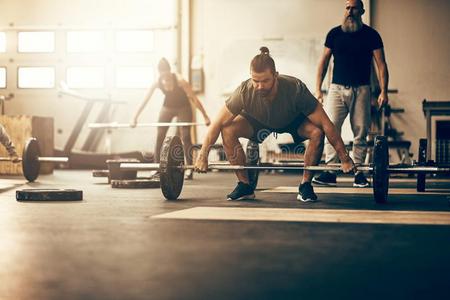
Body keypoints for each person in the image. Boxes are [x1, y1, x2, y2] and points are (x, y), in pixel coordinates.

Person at [194, 47, 355, 202]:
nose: (259, 86)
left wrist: (344, 157)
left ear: (276, 75)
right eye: (255, 80)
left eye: (265, 81)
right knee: (227, 128)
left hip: (292, 121)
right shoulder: (244, 91)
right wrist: (202, 156)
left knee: (317, 132)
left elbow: (327, 124)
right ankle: (244, 185)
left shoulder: (295, 89)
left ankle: (305, 185)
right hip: (258, 122)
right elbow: (216, 123)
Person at [313, 0, 389, 188]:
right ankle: (330, 171)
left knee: (361, 132)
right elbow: (323, 63)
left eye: (354, 8)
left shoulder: (372, 35)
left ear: (362, 11)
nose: (350, 11)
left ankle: (359, 173)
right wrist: (317, 89)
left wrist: (384, 91)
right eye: (347, 8)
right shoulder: (335, 34)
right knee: (330, 128)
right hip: (336, 88)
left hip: (362, 89)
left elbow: (381, 65)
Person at [131, 58, 211, 180]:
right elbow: (145, 100)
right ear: (159, 74)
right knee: (160, 135)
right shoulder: (157, 82)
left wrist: (205, 116)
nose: (165, 78)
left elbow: (194, 98)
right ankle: (157, 167)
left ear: (169, 71)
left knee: (186, 136)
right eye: (162, 75)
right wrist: (134, 117)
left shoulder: (180, 81)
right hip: (167, 107)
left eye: (166, 74)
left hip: (183, 107)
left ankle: (189, 168)